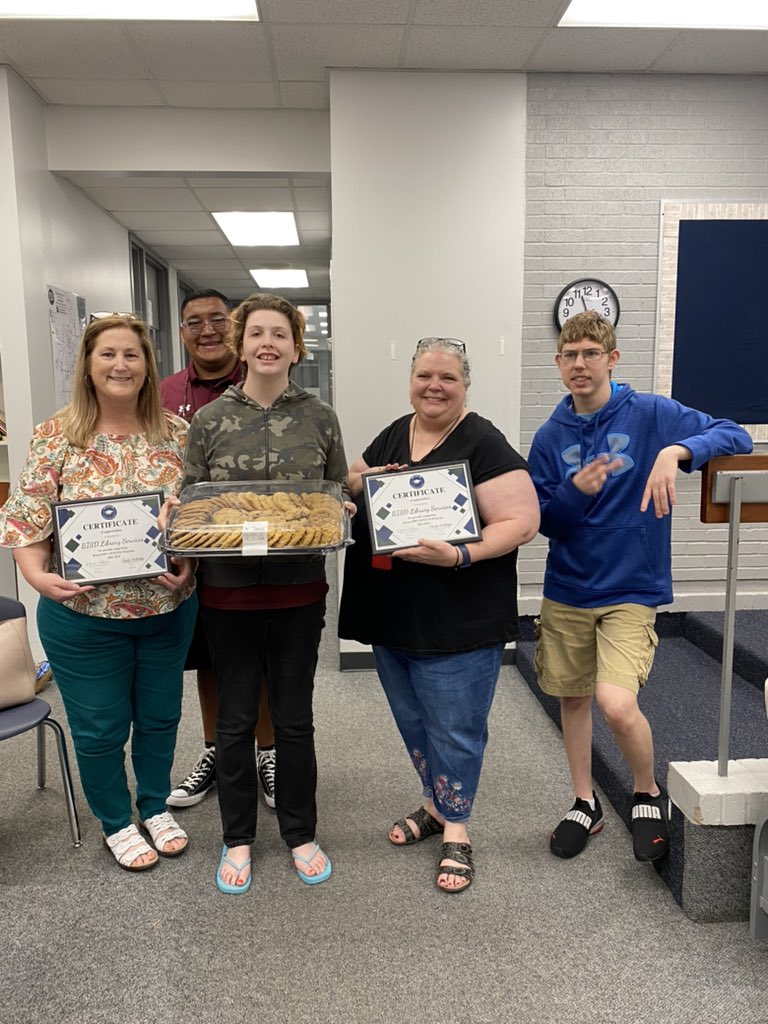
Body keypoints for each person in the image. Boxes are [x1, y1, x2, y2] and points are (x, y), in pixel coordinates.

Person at [527, 310, 753, 862]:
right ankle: (584, 802)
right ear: (559, 364)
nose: (580, 364)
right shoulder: (550, 436)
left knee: (616, 703)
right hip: (568, 589)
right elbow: (544, 521)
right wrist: (576, 492)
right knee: (573, 699)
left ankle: (645, 789)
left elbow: (736, 435)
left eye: (590, 353)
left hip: (631, 588)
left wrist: (675, 453)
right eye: (570, 355)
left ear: (612, 358)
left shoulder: (652, 413)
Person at [338, 337, 539, 893]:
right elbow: (353, 477)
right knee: (415, 724)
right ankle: (434, 804)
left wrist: (458, 553)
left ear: (465, 384)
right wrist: (364, 485)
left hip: (459, 619)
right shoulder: (395, 430)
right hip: (393, 616)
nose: (434, 386)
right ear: (411, 379)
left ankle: (457, 827)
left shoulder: (483, 441)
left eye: (447, 377)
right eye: (424, 374)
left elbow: (522, 520)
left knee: (456, 728)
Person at [0, 314, 197, 871]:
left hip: (166, 609)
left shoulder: (178, 436)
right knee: (101, 726)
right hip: (84, 615)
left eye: (131, 355)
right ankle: (115, 820)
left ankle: (155, 805)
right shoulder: (55, 436)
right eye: (107, 354)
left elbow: (195, 520)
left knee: (160, 718)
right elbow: (27, 523)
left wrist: (187, 566)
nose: (120, 365)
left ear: (147, 364)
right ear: (87, 363)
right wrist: (39, 579)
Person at [178, 291, 348, 893]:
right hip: (227, 595)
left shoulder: (320, 417)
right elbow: (191, 503)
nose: (267, 343)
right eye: (256, 334)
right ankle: (237, 839)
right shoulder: (207, 420)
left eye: (280, 333)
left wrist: (340, 508)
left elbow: (333, 493)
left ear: (296, 346)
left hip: (299, 590)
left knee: (295, 718)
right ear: (241, 344)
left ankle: (301, 832)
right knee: (235, 718)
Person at [160, 289, 276, 811]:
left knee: (266, 657)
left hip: (260, 550)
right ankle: (215, 751)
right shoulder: (162, 394)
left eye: (217, 321)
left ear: (235, 328)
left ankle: (268, 751)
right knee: (209, 658)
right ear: (181, 332)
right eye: (192, 323)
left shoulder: (259, 381)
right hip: (193, 552)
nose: (206, 331)